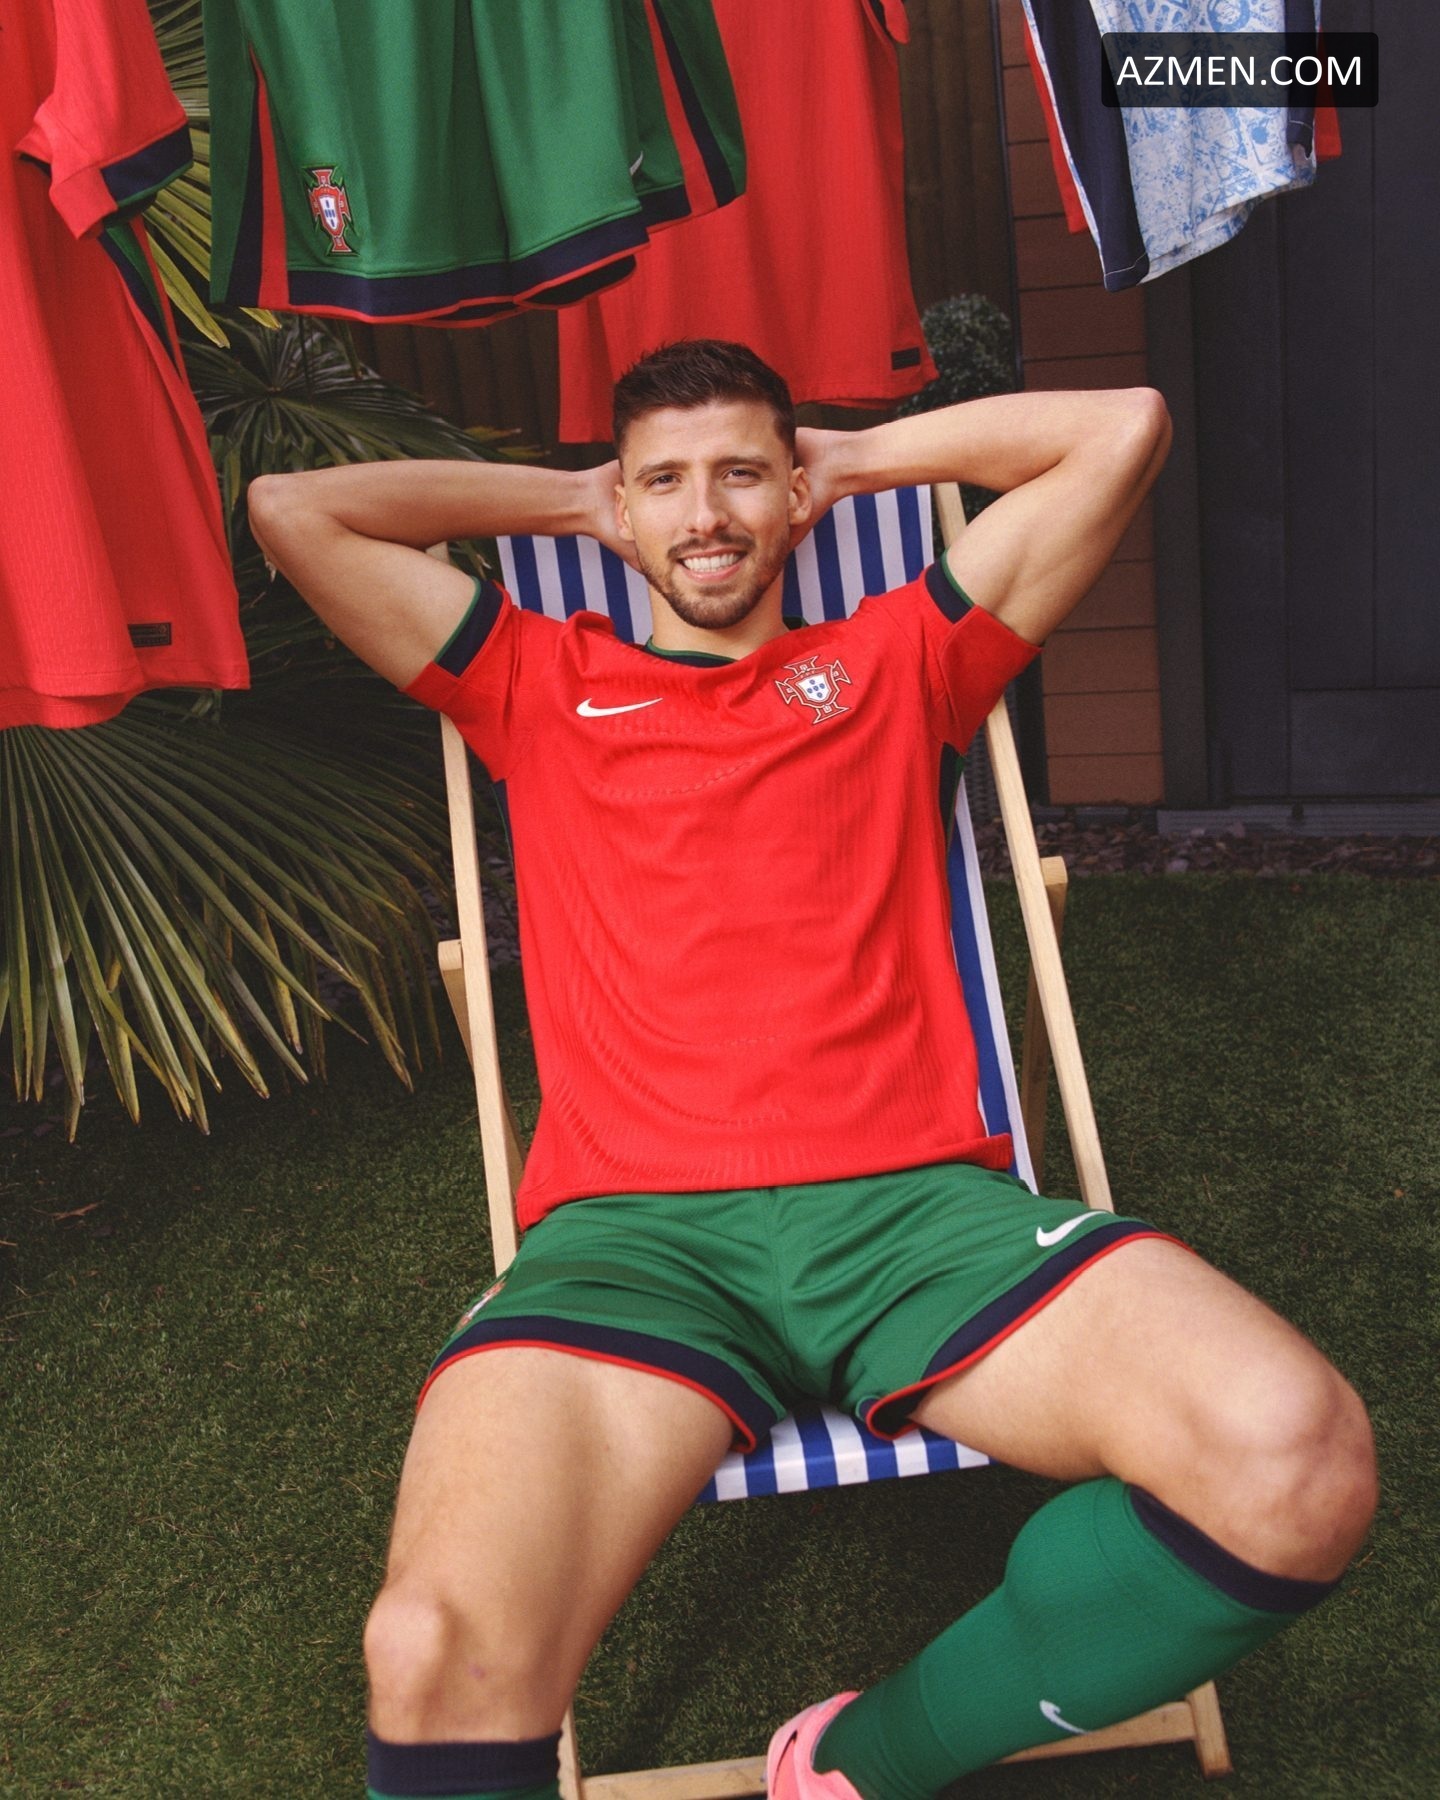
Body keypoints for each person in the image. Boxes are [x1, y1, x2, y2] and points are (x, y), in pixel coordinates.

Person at [248, 340, 1377, 1800]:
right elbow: (295, 509)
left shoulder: (907, 658)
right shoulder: (534, 677)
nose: (705, 513)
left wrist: (851, 461)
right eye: (666, 482)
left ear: (793, 495)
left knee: (1296, 1460)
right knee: (429, 1647)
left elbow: (1124, 424)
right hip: (632, 1243)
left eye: (741, 475)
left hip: (914, 1217)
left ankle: (866, 1759)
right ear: (623, 510)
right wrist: (578, 500)